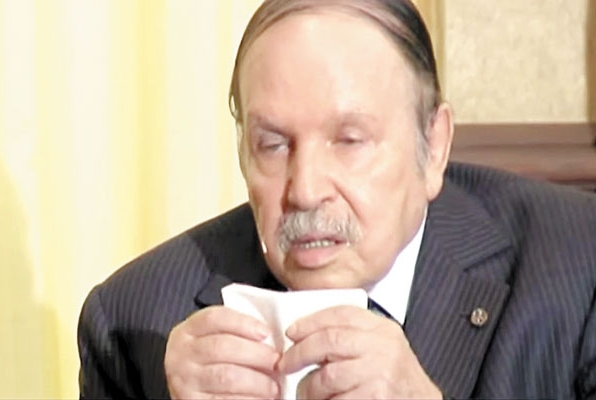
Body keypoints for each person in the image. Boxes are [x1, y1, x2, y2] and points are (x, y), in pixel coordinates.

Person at [77, 0, 596, 398]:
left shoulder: (578, 267)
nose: (305, 190)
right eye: (273, 145)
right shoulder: (136, 321)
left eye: (349, 141)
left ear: (434, 146)